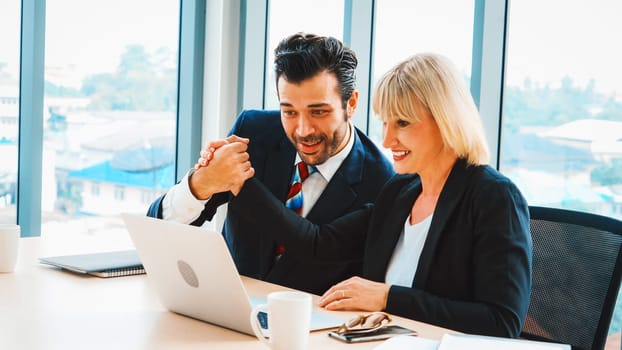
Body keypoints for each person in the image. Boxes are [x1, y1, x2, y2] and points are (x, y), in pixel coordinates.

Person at [218, 53, 532, 337]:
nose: (387, 138)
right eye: (384, 122)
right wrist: (240, 182)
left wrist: (386, 297)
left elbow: (501, 323)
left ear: (446, 121)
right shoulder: (400, 192)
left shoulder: (495, 198)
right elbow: (317, 243)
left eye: (403, 123)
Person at [146, 33, 394, 295]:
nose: (302, 130)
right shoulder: (254, 133)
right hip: (226, 313)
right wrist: (202, 183)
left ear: (351, 103)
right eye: (289, 111)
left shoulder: (382, 182)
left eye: (318, 111)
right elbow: (157, 228)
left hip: (314, 329)